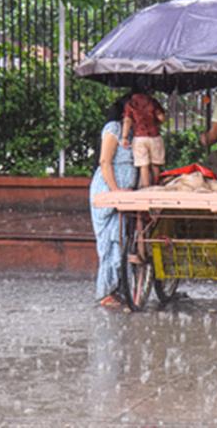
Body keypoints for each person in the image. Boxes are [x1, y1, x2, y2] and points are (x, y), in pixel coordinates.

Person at [89, 95, 138, 308]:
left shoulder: (137, 131)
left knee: (124, 238)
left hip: (126, 194)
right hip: (109, 191)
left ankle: (119, 288)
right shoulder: (113, 129)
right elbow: (105, 161)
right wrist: (116, 191)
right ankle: (106, 292)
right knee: (111, 241)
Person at [121, 82, 166, 188]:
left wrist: (124, 137)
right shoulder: (153, 102)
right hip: (155, 136)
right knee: (156, 164)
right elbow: (161, 118)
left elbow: (127, 120)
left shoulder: (130, 104)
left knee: (143, 165)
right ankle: (156, 185)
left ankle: (146, 188)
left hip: (139, 137)